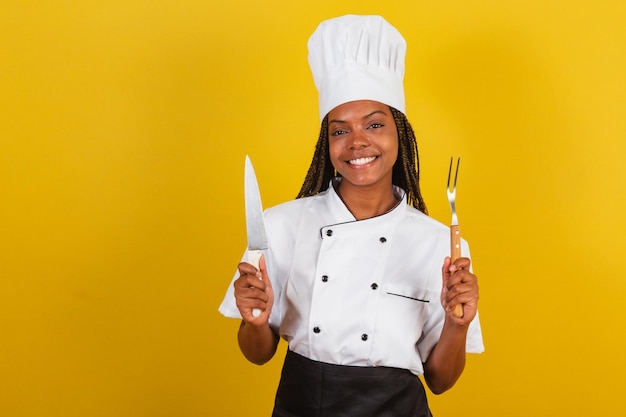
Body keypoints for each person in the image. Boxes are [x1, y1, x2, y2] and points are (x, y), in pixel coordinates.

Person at [219, 14, 484, 417]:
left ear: (400, 134)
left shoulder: (441, 245)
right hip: (302, 406)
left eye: (374, 125)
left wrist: (457, 324)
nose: (357, 142)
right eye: (340, 131)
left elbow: (441, 381)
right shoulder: (280, 227)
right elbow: (257, 356)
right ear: (327, 144)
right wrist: (255, 323)